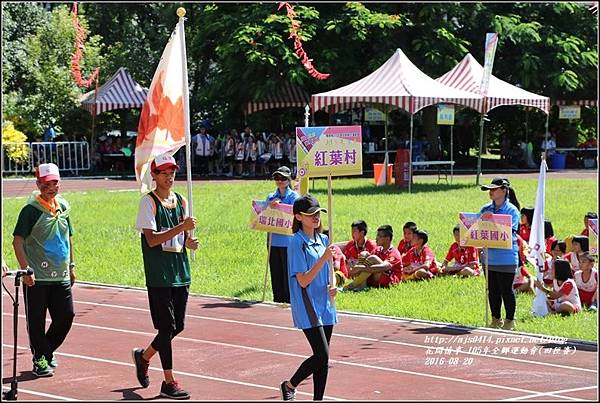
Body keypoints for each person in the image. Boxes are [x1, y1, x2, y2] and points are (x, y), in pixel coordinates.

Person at [133, 153, 199, 399]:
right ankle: (169, 381)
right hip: (159, 274)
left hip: (180, 272)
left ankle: (144, 356)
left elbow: (181, 238)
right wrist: (181, 228)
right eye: (164, 172)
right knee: (166, 327)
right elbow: (151, 240)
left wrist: (189, 242)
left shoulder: (181, 200)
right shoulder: (148, 202)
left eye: (172, 171)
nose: (169, 176)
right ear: (155, 175)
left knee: (177, 326)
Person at [12, 163, 76, 377]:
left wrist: (72, 265)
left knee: (67, 315)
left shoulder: (64, 206)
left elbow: (69, 237)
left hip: (62, 275)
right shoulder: (30, 210)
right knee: (36, 321)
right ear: (38, 184)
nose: (51, 187)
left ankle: (45, 351)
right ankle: (40, 357)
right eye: (46, 183)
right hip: (37, 278)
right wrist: (26, 269)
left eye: (55, 182)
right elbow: (17, 241)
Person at [281, 194, 337, 401]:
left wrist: (334, 286)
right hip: (308, 304)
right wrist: (323, 258)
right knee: (321, 354)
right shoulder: (296, 243)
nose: (316, 217)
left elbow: (332, 270)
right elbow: (303, 280)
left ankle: (318, 399)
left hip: (325, 303)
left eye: (318, 213)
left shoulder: (323, 239)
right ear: (298, 217)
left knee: (324, 358)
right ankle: (290, 385)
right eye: (310, 214)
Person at [479, 177, 521, 331]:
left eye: (494, 189)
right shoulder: (485, 209)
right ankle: (496, 318)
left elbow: (510, 232)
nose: (491, 192)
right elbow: (475, 228)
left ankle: (510, 320)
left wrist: (493, 221)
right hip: (489, 258)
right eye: (489, 189)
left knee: (506, 290)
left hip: (506, 257)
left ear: (504, 190)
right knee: (492, 290)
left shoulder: (512, 210)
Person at [265, 166, 299, 303]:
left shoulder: (294, 197)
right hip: (273, 240)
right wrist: (269, 206)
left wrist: (279, 207)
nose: (280, 181)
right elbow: (263, 213)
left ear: (289, 179)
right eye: (277, 178)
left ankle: (289, 299)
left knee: (287, 272)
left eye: (283, 178)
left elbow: (294, 214)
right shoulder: (270, 197)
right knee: (276, 271)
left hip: (288, 241)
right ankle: (277, 299)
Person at [343, 224, 402, 290]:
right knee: (364, 254)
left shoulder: (394, 253)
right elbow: (367, 261)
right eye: (377, 235)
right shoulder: (378, 249)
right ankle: (362, 285)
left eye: (379, 236)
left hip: (390, 281)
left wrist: (361, 268)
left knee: (373, 258)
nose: (376, 238)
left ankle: (353, 285)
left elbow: (384, 267)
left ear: (387, 239)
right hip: (376, 279)